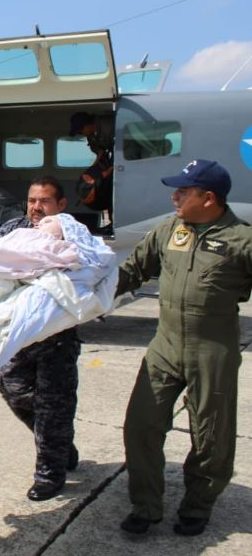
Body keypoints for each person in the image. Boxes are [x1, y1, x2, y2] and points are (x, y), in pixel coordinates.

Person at [116, 159, 251, 536]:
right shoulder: (169, 229)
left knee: (211, 433)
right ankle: (146, 506)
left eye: (183, 191)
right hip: (166, 343)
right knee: (140, 425)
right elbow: (132, 271)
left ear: (208, 198)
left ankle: (198, 505)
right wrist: (78, 296)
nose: (174, 196)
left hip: (213, 349)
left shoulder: (243, 240)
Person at [0, 175, 82, 501]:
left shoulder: (72, 233)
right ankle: (58, 444)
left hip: (57, 339)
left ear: (60, 205)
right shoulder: (12, 229)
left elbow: (88, 267)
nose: (36, 207)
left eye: (44, 201)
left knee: (54, 405)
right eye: (32, 200)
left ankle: (50, 472)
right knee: (12, 389)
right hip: (20, 335)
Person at [70, 112, 114, 218]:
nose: (82, 134)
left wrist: (113, 168)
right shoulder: (92, 135)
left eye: (81, 131)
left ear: (87, 125)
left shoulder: (108, 126)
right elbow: (100, 152)